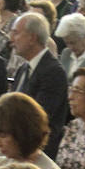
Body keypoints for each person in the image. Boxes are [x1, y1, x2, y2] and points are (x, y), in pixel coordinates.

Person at [8, 11, 70, 156]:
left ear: (32, 38)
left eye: (16, 33)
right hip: (18, 140)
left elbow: (39, 117)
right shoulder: (23, 68)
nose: (11, 39)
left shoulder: (53, 72)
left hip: (38, 146)